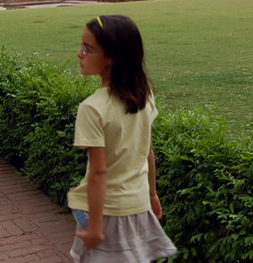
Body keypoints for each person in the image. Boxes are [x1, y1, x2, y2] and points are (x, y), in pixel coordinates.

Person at [68, 15, 176, 261]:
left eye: (88, 49)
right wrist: (151, 194)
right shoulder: (143, 94)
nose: (79, 54)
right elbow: (148, 151)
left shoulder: (93, 108)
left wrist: (94, 226)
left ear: (111, 58)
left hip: (106, 213)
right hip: (137, 206)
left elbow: (98, 173)